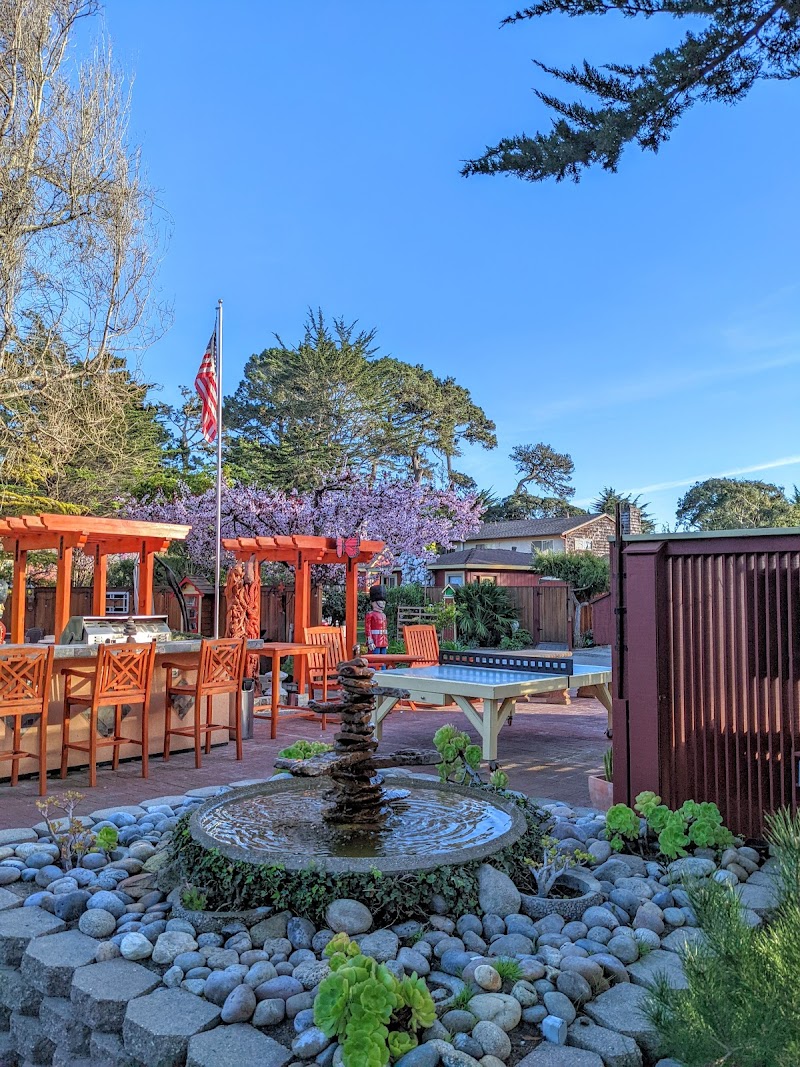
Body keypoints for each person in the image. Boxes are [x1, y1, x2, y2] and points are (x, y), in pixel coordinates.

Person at [365, 584, 389, 655]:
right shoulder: (370, 614)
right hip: (375, 641)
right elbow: (368, 629)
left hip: (383, 641)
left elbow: (385, 629)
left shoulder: (383, 615)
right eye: (379, 601)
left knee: (383, 659)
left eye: (383, 601)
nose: (382, 603)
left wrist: (386, 641)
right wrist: (370, 640)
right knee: (375, 658)